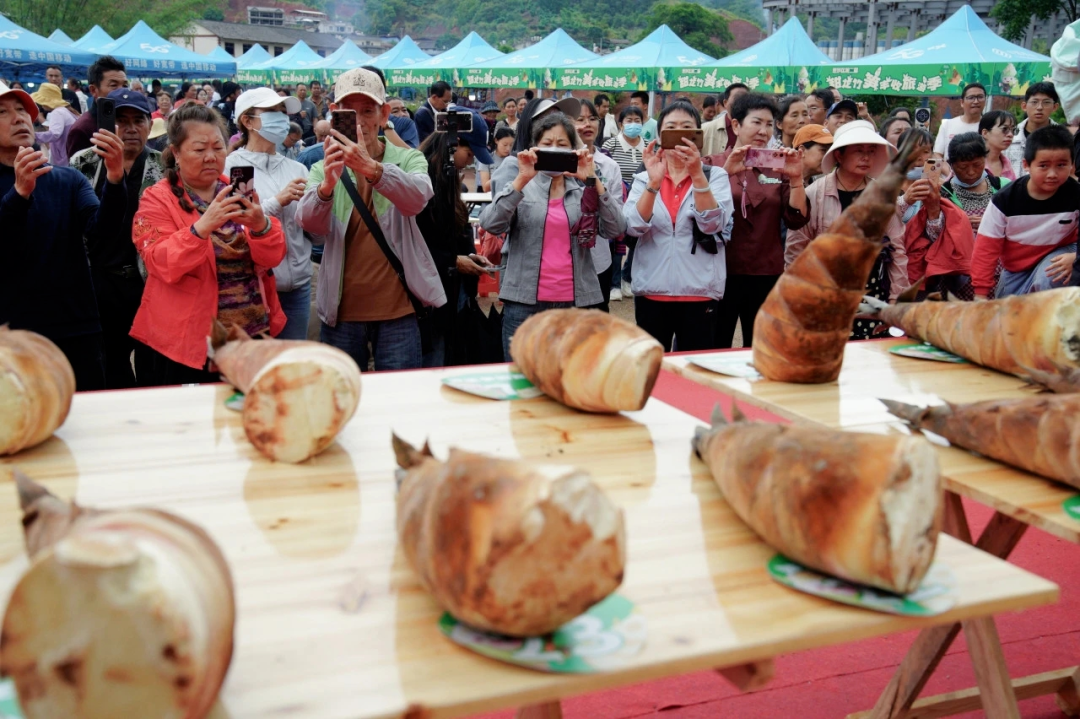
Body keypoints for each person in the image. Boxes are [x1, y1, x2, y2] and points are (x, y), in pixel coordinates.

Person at [297, 67, 446, 371]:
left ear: (384, 114)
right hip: (341, 312)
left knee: (399, 395)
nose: (359, 121)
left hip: (399, 310)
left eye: (368, 110)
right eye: (349, 112)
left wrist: (372, 169)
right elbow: (311, 227)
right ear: (334, 113)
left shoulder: (408, 158)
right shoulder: (321, 166)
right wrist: (326, 187)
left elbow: (418, 199)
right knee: (342, 393)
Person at [131, 103, 286, 386]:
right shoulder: (157, 199)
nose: (211, 157)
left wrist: (261, 226)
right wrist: (201, 228)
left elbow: (272, 258)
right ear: (176, 153)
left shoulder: (237, 191)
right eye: (200, 149)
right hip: (188, 344)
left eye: (218, 147)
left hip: (249, 335)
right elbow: (160, 262)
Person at [0, 81, 127, 390]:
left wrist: (114, 177)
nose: (18, 118)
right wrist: (19, 195)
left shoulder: (67, 179)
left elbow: (102, 233)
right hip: (11, 334)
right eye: (3, 112)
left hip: (76, 326)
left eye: (22, 110)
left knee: (88, 414)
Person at [480, 112, 625, 359]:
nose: (554, 149)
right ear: (534, 147)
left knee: (572, 375)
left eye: (562, 144)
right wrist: (522, 178)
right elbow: (491, 223)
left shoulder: (583, 190)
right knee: (523, 375)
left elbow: (616, 228)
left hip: (576, 303)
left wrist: (593, 180)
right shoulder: (522, 186)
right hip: (523, 304)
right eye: (547, 143)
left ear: (573, 150)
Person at [70, 89, 164, 389]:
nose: (131, 128)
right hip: (100, 281)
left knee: (152, 367)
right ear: (108, 125)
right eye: (122, 121)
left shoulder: (165, 166)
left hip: (149, 282)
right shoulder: (84, 163)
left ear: (150, 125)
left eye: (138, 120)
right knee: (110, 366)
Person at [622, 100, 732, 351]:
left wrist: (697, 175)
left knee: (693, 367)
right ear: (660, 136)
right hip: (652, 290)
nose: (679, 134)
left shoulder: (715, 176)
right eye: (671, 128)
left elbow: (713, 225)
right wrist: (654, 183)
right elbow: (633, 226)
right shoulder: (644, 177)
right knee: (651, 364)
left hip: (700, 291)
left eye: (687, 128)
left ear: (698, 135)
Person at [786, 120, 909, 339]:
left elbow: (898, 250)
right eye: (859, 151)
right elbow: (796, 249)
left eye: (871, 151)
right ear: (839, 156)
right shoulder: (815, 193)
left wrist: (895, 301)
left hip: (872, 294)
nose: (866, 157)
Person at [705, 93, 808, 348]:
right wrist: (724, 174)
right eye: (757, 122)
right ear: (736, 125)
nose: (764, 131)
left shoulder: (779, 167)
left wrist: (796, 179)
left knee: (761, 347)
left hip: (766, 271)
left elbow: (796, 219)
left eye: (769, 124)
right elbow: (699, 212)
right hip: (720, 270)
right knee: (715, 344)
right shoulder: (713, 165)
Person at [227, 88, 313, 342]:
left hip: (298, 286)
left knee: (292, 361)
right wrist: (278, 201)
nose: (282, 118)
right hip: (255, 287)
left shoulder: (297, 168)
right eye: (272, 111)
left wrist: (321, 204)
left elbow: (313, 232)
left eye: (283, 112)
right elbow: (239, 225)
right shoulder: (236, 167)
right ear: (247, 121)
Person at [416, 107, 497, 366]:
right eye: (469, 154)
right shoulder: (423, 178)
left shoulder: (450, 178)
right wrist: (453, 261)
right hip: (430, 296)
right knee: (434, 361)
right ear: (454, 142)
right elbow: (418, 241)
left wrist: (468, 256)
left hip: (454, 292)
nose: (470, 162)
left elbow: (452, 234)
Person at [972, 125, 1079, 300]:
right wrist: (980, 294)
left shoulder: (1076, 194)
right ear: (1026, 165)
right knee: (1007, 312)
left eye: (1061, 165)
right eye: (1043, 166)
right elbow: (986, 249)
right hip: (1017, 269)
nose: (1052, 174)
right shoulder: (1004, 201)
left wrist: (1076, 257)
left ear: (1072, 164)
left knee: (1050, 276)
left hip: (1061, 257)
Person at [897, 128, 976, 300]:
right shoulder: (886, 184)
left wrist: (933, 210)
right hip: (893, 265)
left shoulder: (942, 189)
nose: (920, 157)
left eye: (926, 151)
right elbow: (880, 224)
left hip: (926, 272)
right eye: (912, 150)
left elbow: (941, 239)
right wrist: (905, 201)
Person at [575, 99, 621, 311]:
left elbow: (616, 220)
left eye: (592, 118)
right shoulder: (556, 164)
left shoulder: (609, 166)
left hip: (598, 260)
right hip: (562, 260)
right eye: (580, 119)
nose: (587, 124)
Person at [942, 132, 1009, 238]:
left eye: (977, 164)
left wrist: (992, 225)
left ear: (985, 159)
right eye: (963, 167)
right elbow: (933, 234)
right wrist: (959, 225)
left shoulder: (1004, 187)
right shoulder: (943, 194)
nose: (971, 172)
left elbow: (1019, 225)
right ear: (951, 164)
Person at [66, 56, 127, 159]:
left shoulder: (127, 119)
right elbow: (77, 168)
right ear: (93, 90)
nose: (122, 91)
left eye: (125, 86)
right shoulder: (82, 129)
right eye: (114, 85)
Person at [1003, 82, 1060, 177]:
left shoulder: (1063, 138)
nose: (1039, 107)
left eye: (1046, 102)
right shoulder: (1009, 136)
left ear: (1055, 107)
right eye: (1034, 102)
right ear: (1024, 106)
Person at [933, 83, 987, 160]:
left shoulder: (991, 126)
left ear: (985, 100)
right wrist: (947, 167)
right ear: (962, 102)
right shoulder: (947, 125)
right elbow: (937, 154)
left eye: (980, 97)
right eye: (971, 97)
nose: (976, 101)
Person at [30, 83, 79, 166]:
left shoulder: (57, 112)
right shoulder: (64, 110)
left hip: (64, 158)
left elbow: (54, 134)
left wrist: (34, 136)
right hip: (69, 154)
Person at [979, 110, 1017, 181]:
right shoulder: (973, 162)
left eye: (1013, 130)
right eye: (1004, 129)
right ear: (985, 133)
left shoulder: (1007, 164)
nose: (1010, 134)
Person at [478, 126, 514, 192]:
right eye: (505, 145)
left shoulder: (514, 160)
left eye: (511, 145)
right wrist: (502, 174)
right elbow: (485, 188)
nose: (508, 149)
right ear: (496, 140)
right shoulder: (486, 159)